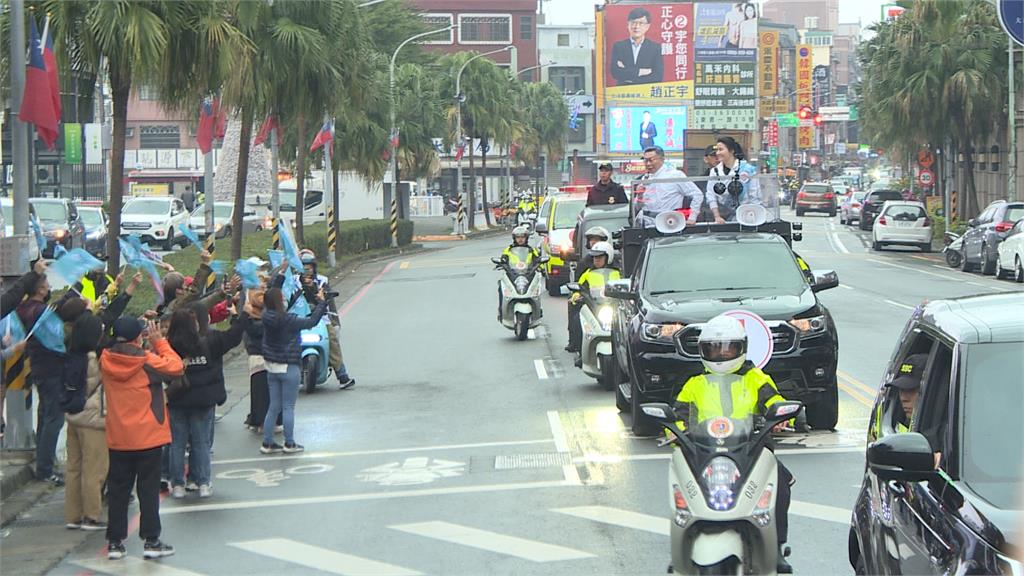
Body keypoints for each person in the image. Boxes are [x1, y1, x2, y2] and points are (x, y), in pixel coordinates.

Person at [670, 314, 793, 573]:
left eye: (728, 347)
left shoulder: (756, 378)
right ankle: (682, 546)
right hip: (705, 452)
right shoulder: (694, 385)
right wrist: (674, 431)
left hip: (750, 450)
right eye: (715, 348)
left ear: (742, 348)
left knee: (781, 480)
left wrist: (780, 416)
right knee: (681, 484)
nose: (722, 354)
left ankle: (777, 546)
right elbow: (679, 414)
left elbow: (774, 400)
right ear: (703, 351)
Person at [101, 317, 182, 560]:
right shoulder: (146, 361)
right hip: (148, 435)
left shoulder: (105, 359)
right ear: (139, 337)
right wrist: (160, 342)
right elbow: (176, 367)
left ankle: (115, 542)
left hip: (118, 436)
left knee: (118, 491)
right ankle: (151, 540)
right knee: (147, 490)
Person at [165, 299, 247, 499]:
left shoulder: (168, 345)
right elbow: (235, 336)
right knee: (201, 443)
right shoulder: (211, 340)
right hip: (204, 400)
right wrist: (237, 315)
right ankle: (202, 482)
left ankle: (177, 484)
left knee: (177, 443)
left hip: (177, 399)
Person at [260, 286, 328, 454]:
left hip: (271, 366)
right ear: (278, 301)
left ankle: (267, 442)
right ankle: (289, 443)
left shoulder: (266, 317)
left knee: (274, 406)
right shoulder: (288, 320)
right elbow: (311, 322)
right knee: (288, 406)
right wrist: (321, 302)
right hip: (289, 366)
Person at [16, 272, 67, 485]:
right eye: (46, 284)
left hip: (36, 366)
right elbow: (57, 339)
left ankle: (44, 461)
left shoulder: (23, 309)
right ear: (40, 289)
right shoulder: (42, 312)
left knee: (45, 414)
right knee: (54, 418)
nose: (48, 286)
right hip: (52, 368)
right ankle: (45, 468)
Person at [63, 312, 108, 532]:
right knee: (95, 468)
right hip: (92, 420)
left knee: (73, 467)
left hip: (73, 416)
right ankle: (92, 516)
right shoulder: (94, 359)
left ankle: (73, 515)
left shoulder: (70, 354)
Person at [298, 249, 355, 389]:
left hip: (321, 319)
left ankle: (342, 375)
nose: (307, 271)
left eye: (309, 267)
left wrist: (313, 288)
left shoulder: (322, 281)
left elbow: (329, 302)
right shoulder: (293, 282)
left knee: (333, 342)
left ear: (314, 267)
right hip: (297, 319)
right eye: (304, 268)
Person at [637, 146, 721, 226]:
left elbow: (697, 195)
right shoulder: (644, 178)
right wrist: (639, 196)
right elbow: (637, 207)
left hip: (669, 221)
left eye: (651, 160)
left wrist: (692, 217)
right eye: (645, 160)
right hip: (647, 221)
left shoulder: (675, 175)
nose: (648, 164)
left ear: (662, 159)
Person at [569, 242, 621, 368]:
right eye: (594, 257)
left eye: (600, 257)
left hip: (614, 307)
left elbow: (626, 286)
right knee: (577, 321)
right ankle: (581, 352)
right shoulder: (587, 274)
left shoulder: (617, 273)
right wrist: (577, 296)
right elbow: (578, 288)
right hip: (594, 307)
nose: (596, 260)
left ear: (608, 257)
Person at [565, 226, 611, 354]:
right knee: (575, 314)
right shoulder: (584, 264)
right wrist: (578, 296)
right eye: (592, 240)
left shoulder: (616, 266)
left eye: (598, 239)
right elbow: (578, 285)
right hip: (590, 302)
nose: (594, 242)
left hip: (612, 303)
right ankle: (576, 344)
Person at [708, 136, 761, 222]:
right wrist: (717, 216)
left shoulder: (748, 169)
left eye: (721, 149)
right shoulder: (714, 171)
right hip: (723, 218)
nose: (717, 153)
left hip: (746, 216)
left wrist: (754, 216)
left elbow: (754, 195)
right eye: (717, 150)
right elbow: (710, 194)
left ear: (732, 150)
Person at [610, 7, 663, 86]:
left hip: (645, 93)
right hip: (623, 93)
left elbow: (657, 76)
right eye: (633, 22)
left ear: (647, 26)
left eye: (641, 23)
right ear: (628, 25)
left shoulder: (655, 48)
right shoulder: (619, 46)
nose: (636, 26)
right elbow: (615, 72)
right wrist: (640, 72)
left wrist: (628, 73)